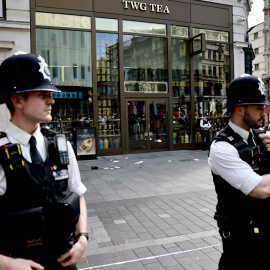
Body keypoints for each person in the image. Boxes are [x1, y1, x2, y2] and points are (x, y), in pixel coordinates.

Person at [0, 52, 88, 270]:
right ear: (17, 100)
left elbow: (77, 193)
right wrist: (7, 264)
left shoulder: (61, 145)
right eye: (42, 94)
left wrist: (83, 239)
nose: (52, 100)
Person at [208, 74, 270, 270]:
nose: (264, 112)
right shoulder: (221, 148)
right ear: (239, 109)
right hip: (241, 242)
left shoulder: (261, 137)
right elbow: (260, 189)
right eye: (258, 107)